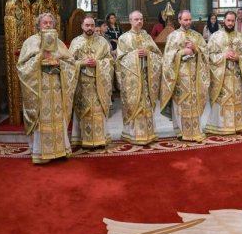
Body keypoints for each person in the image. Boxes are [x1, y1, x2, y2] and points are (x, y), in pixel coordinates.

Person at [17, 13, 77, 164]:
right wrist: (40, 57)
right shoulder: (30, 42)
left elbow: (71, 63)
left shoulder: (59, 43)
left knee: (58, 117)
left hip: (56, 86)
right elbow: (22, 67)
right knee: (42, 119)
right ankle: (41, 152)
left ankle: (60, 150)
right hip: (39, 88)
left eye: (51, 22)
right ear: (38, 25)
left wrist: (59, 63)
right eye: (45, 23)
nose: (48, 25)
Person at [161, 10, 209, 142]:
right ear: (179, 20)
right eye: (185, 20)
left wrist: (196, 48)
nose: (188, 22)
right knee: (181, 105)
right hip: (179, 78)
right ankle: (182, 131)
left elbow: (206, 53)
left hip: (195, 77)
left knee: (194, 103)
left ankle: (195, 130)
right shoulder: (173, 36)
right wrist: (182, 52)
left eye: (190, 20)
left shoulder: (197, 36)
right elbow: (167, 59)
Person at [116, 10, 162, 145]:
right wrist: (135, 55)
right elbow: (119, 60)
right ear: (130, 21)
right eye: (136, 19)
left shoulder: (147, 37)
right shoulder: (124, 38)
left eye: (141, 19)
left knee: (146, 105)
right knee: (133, 105)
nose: (139, 22)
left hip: (147, 78)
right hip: (132, 81)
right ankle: (132, 134)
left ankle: (149, 133)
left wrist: (149, 54)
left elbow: (158, 56)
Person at [68, 15, 113, 149]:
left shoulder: (103, 42)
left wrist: (98, 63)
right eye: (87, 25)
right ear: (82, 26)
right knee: (84, 111)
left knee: (98, 111)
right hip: (82, 84)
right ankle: (82, 140)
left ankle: (100, 139)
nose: (90, 28)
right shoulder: (76, 42)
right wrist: (82, 63)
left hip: (98, 84)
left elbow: (110, 61)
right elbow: (69, 63)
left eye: (92, 25)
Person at [205, 11, 242, 135]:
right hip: (221, 77)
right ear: (223, 21)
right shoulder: (215, 37)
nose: (230, 23)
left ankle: (238, 124)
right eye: (228, 20)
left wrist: (238, 58)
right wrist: (223, 56)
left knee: (236, 101)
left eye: (232, 21)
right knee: (223, 102)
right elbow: (208, 57)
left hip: (237, 77)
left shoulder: (240, 37)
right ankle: (219, 126)